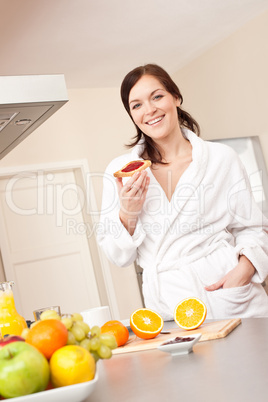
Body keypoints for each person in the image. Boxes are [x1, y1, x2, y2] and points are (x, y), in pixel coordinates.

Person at [97, 63, 268, 320]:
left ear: (175, 97)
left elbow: (253, 228)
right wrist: (128, 213)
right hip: (170, 303)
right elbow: (118, 256)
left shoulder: (222, 158)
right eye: (137, 105)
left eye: (157, 96)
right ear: (132, 115)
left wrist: (242, 273)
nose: (150, 110)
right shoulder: (120, 171)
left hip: (231, 295)